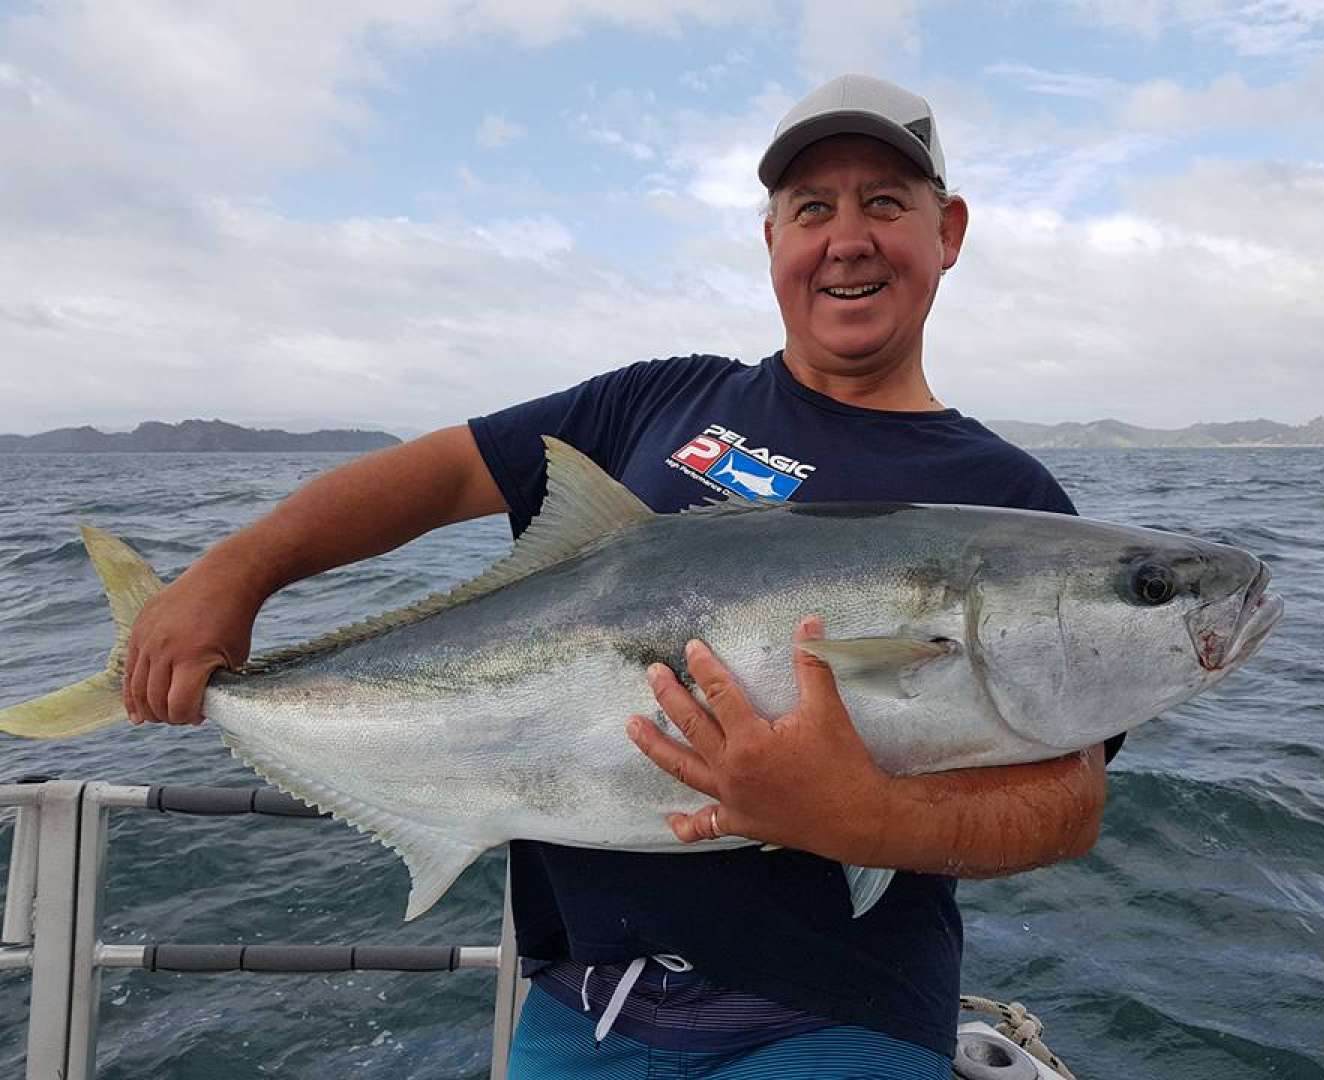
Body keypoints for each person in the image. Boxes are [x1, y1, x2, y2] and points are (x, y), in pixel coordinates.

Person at [126, 74, 1117, 1078]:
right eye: (813, 208)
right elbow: (436, 475)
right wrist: (233, 572)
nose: (847, 238)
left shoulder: (1005, 501)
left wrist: (855, 818)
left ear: (946, 231)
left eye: (886, 204)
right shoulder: (656, 402)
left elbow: (1068, 803)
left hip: (837, 1021)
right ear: (770, 240)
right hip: (580, 1006)